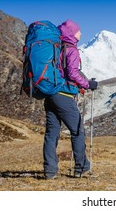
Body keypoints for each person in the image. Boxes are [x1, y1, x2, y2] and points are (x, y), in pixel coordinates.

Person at [43, 19, 98, 179]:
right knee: (77, 131)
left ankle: (49, 171)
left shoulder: (56, 48)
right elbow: (73, 73)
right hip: (64, 96)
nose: (81, 33)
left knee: (51, 133)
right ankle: (81, 167)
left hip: (50, 94)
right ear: (72, 33)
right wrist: (88, 84)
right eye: (78, 31)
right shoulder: (72, 50)